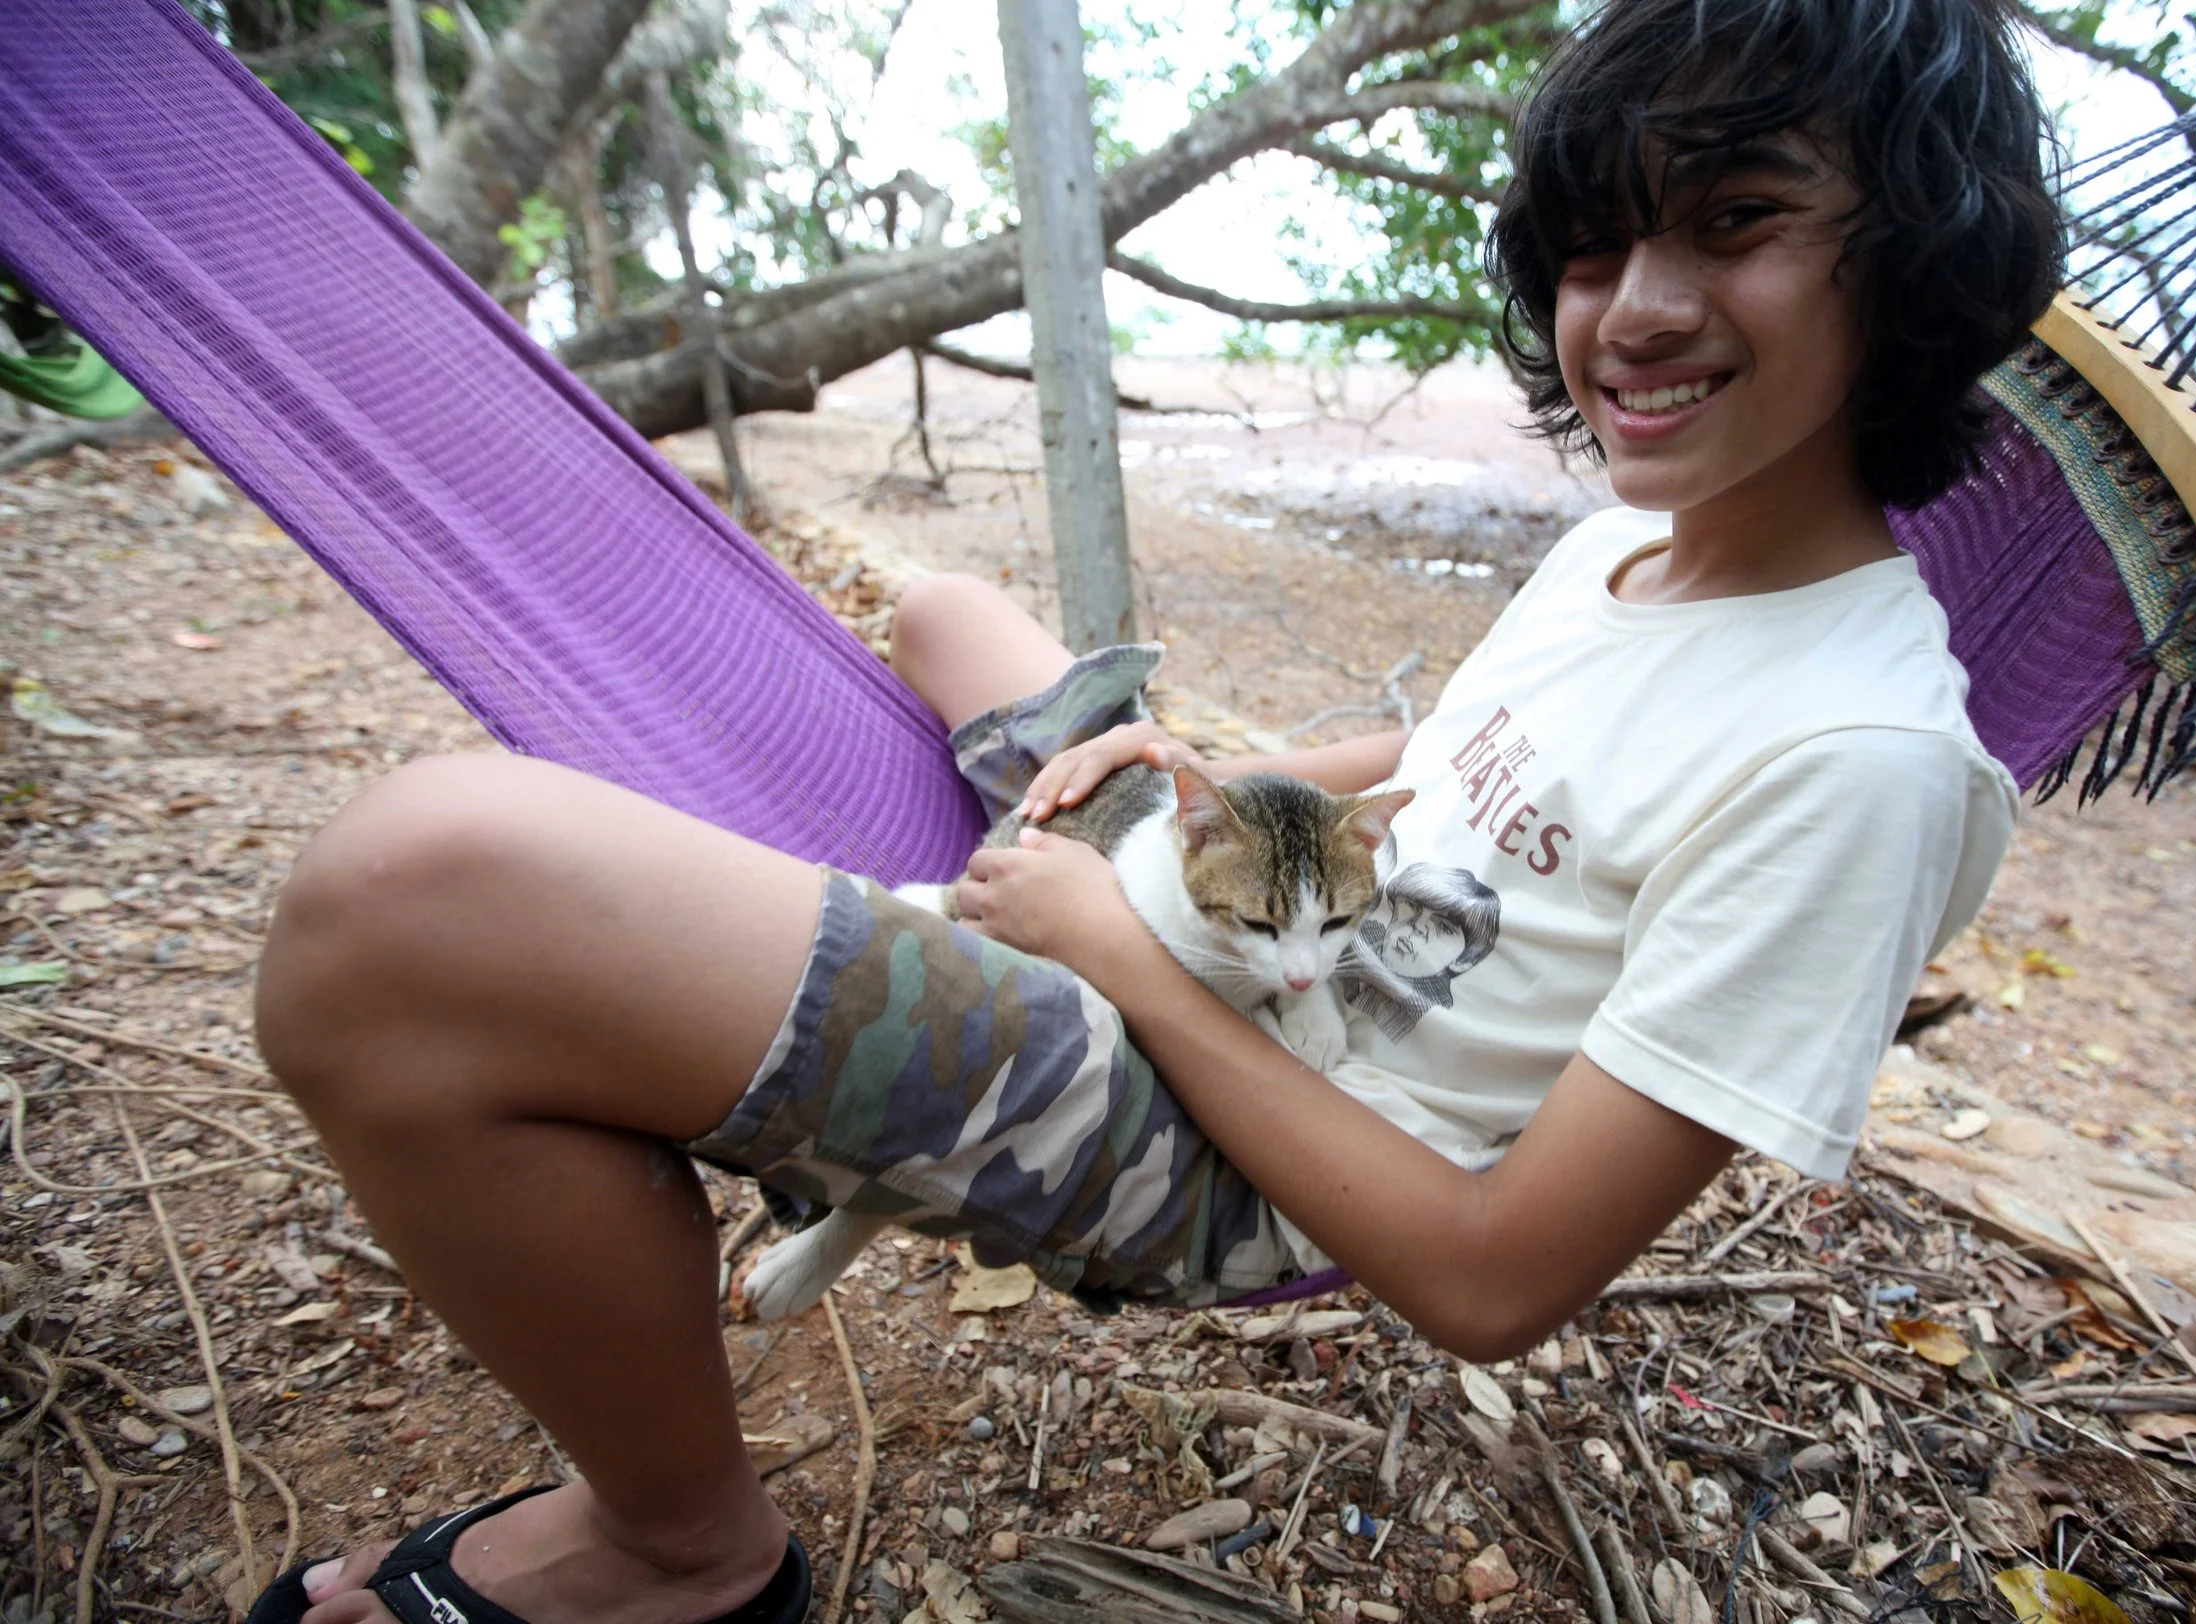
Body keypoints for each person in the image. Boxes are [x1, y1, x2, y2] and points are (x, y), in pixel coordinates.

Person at [247, 0, 2061, 1617]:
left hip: (1256, 1138)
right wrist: (1207, 782)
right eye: (1595, 250)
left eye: (1736, 222)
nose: (1638, 309)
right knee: (946, 617)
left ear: (1916, 264)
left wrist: (1125, 947)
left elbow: (1497, 1281)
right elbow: (1478, 778)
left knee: (413, 894)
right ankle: (858, 901)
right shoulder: (1619, 554)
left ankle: (675, 1554)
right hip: (1233, 922)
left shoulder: (1860, 770)